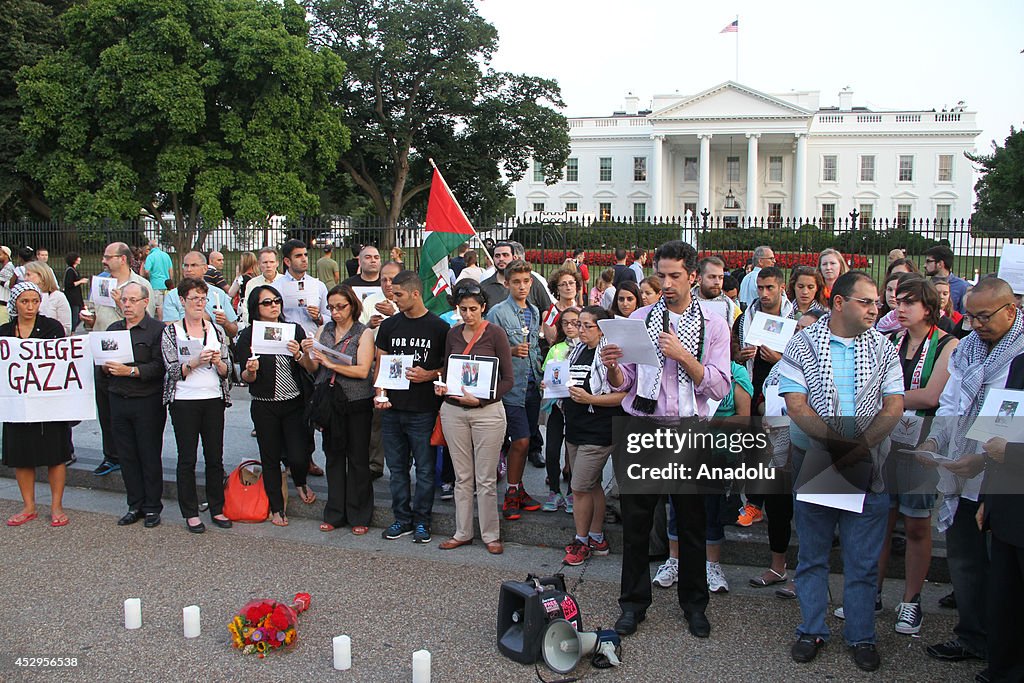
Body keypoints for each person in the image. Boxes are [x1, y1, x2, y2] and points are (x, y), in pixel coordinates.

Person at [601, 240, 732, 640]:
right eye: (661, 275)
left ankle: (694, 604)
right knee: (637, 523)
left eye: (676, 275)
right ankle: (633, 605)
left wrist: (684, 357)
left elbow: (721, 386)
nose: (668, 282)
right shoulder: (640, 317)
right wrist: (611, 369)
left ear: (693, 276)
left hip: (690, 429)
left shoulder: (714, 323)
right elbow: (625, 382)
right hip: (644, 427)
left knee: (691, 523)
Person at [780, 271, 904, 673]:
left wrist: (860, 446)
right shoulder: (802, 344)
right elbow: (797, 406)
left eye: (875, 303)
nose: (875, 309)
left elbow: (894, 406)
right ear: (838, 302)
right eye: (865, 302)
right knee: (813, 555)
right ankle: (811, 629)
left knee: (862, 560)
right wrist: (838, 444)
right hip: (818, 458)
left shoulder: (884, 348)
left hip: (867, 461)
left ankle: (862, 635)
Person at [918, 277, 1024, 672]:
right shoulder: (968, 350)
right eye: (972, 316)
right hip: (959, 467)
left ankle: (1003, 649)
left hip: (1000, 476)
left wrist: (979, 460)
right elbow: (950, 406)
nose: (976, 324)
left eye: (985, 316)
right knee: (963, 558)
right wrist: (933, 444)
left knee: (1002, 570)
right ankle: (972, 634)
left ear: (1011, 310)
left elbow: (1009, 424)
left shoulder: (1019, 355)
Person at [858, 276, 956, 636]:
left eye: (908, 303)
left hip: (921, 446)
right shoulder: (889, 341)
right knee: (880, 520)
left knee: (916, 523)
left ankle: (912, 601)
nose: (898, 309)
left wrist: (888, 400)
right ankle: (873, 593)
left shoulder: (948, 345)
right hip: (886, 442)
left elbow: (932, 396)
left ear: (927, 308)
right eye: (897, 302)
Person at [743, 309, 825, 597]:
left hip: (808, 444)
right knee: (778, 508)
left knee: (807, 513)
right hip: (777, 443)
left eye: (808, 328)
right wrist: (766, 414)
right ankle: (778, 566)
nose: (800, 332)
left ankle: (806, 574)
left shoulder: (822, 366)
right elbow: (766, 397)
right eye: (798, 327)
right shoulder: (784, 364)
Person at [435, 281, 514, 554]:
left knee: (486, 478)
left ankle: (491, 535)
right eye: (463, 309)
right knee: (462, 476)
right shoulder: (453, 334)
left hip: (487, 412)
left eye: (473, 309)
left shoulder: (495, 334)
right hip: (454, 410)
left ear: (483, 308)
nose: (468, 314)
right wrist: (443, 385)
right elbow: (448, 368)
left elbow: (508, 380)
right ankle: (462, 531)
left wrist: (481, 399)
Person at [374, 271, 450, 543]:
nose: (393, 299)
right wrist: (379, 392)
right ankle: (402, 519)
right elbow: (380, 362)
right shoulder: (389, 326)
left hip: (423, 409)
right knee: (396, 469)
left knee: (426, 469)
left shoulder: (438, 328)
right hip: (393, 408)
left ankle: (422, 521)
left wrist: (428, 374)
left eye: (398, 295)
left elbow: (449, 366)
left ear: (415, 294)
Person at [236, 285, 319, 526]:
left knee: (298, 454)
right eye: (267, 302)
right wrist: (250, 371)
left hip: (294, 402)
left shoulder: (294, 329)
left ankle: (301, 481)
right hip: (264, 405)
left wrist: (299, 356)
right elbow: (245, 377)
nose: (274, 305)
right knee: (270, 456)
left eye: (277, 301)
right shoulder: (248, 336)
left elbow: (311, 367)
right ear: (256, 308)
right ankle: (276, 507)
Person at [161, 278, 233, 534]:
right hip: (184, 401)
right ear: (182, 301)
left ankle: (217, 507)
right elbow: (170, 370)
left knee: (215, 457)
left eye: (202, 299)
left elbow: (227, 371)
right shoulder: (171, 332)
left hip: (213, 399)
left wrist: (217, 363)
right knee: (187, 458)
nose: (199, 304)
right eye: (194, 299)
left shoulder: (216, 330)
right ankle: (190, 512)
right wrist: (193, 362)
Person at [303, 285, 375, 533]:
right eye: (331, 307)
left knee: (357, 458)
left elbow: (363, 370)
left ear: (352, 305)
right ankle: (335, 513)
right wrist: (305, 355)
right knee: (333, 456)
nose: (335, 312)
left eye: (340, 307)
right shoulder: (325, 329)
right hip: (329, 400)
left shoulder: (363, 333)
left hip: (356, 400)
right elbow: (314, 368)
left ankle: (359, 515)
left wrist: (331, 363)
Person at [559, 306, 627, 566]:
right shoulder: (577, 350)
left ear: (602, 328)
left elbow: (624, 394)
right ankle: (597, 537)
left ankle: (582, 541)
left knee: (579, 487)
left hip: (599, 430)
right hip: (576, 427)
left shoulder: (609, 353)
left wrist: (591, 399)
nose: (581, 330)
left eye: (587, 325)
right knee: (592, 485)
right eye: (579, 324)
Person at [84, 242, 158, 477]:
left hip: (134, 355)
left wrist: (120, 304)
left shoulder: (140, 285)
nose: (104, 260)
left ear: (123, 259)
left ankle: (132, 456)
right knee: (106, 408)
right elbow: (94, 313)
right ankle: (111, 455)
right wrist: (89, 319)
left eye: (109, 256)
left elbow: (147, 318)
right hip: (103, 353)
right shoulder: (100, 283)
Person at [2, 282, 72, 528]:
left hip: (48, 404)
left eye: (34, 301)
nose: (30, 306)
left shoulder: (52, 327)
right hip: (17, 404)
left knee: (56, 455)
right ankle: (29, 505)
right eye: (24, 301)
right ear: (15, 304)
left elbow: (64, 362)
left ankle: (56, 506)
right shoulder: (4, 331)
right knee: (21, 455)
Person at [488, 259, 546, 520]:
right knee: (520, 440)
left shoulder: (534, 311)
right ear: (507, 283)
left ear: (531, 283)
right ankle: (511, 493)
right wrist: (510, 351)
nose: (521, 287)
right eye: (516, 282)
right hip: (511, 386)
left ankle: (518, 487)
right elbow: (487, 348)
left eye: (525, 282)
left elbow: (535, 348)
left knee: (526, 440)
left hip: (532, 384)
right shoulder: (497, 312)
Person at [105, 283, 166, 529]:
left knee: (149, 454)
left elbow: (159, 366)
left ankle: (152, 507)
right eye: (124, 300)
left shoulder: (157, 330)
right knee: (127, 455)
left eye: (132, 300)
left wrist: (130, 371)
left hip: (147, 401)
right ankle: (135, 505)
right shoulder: (113, 329)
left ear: (144, 301)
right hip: (118, 399)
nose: (127, 305)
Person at [540, 307, 580, 512]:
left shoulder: (587, 348)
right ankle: (554, 491)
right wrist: (545, 384)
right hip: (556, 407)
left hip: (578, 408)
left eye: (575, 322)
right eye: (566, 323)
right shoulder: (556, 349)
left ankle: (574, 492)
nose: (571, 327)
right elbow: (547, 373)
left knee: (574, 452)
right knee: (553, 449)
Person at [238, 247, 283, 326]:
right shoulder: (252, 283)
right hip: (259, 326)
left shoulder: (285, 281)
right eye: (265, 262)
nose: (268, 265)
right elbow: (246, 309)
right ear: (259, 264)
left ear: (277, 263)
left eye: (272, 262)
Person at [24, 261, 71, 335]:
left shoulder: (58, 297)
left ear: (41, 276)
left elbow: (66, 328)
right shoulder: (23, 296)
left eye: (28, 275)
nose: (25, 279)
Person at [692, 256, 741, 324]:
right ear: (699, 279)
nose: (717, 282)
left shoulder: (732, 309)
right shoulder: (684, 303)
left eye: (720, 277)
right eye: (712, 277)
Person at [542, 267, 583, 345]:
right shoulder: (550, 314)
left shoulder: (583, 311)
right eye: (563, 284)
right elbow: (552, 341)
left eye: (571, 283)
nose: (568, 287)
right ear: (557, 289)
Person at [924, 245, 969, 314]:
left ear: (940, 264)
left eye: (928, 261)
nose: (924, 265)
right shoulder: (925, 285)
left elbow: (965, 317)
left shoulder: (962, 287)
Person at [142, 239, 173, 317]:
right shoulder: (166, 255)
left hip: (155, 284)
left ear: (150, 247)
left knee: (159, 306)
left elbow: (146, 271)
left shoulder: (150, 256)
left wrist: (149, 276)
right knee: (167, 306)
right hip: (166, 284)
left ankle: (161, 324)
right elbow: (170, 270)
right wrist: (170, 281)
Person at [63, 252, 87, 331]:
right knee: (75, 317)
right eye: (78, 258)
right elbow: (69, 284)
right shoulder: (70, 271)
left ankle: (72, 330)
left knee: (79, 315)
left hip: (77, 298)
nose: (80, 259)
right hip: (72, 298)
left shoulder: (74, 270)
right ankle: (72, 331)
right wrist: (80, 281)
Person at [0, 246, 13, 325]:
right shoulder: (4, 268)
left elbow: (10, 285)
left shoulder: (9, 268)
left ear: (6, 255)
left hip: (4, 304)